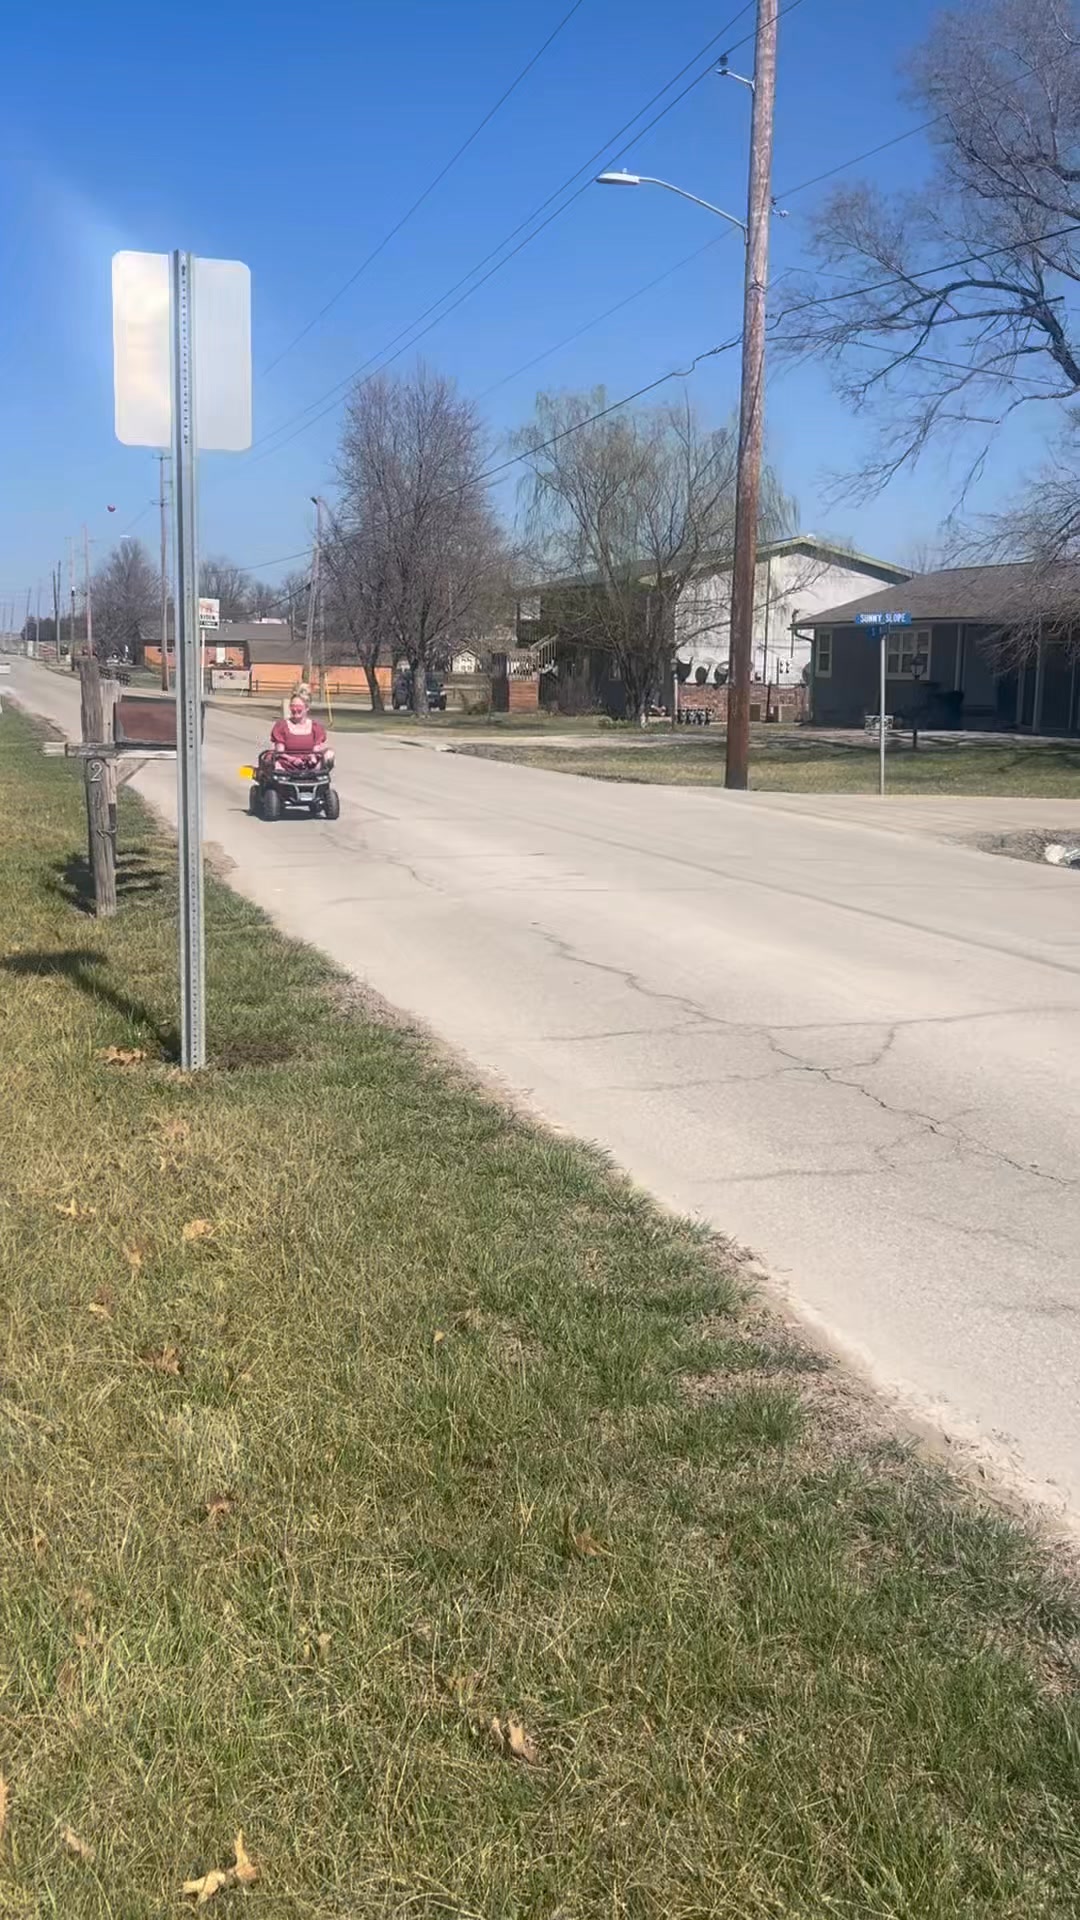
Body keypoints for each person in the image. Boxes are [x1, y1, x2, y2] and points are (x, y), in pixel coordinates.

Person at [259, 695, 335, 775]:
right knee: (273, 762)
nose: (295, 709)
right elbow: (280, 752)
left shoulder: (315, 727)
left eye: (298, 707)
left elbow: (316, 750)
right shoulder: (282, 726)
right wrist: (292, 759)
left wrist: (312, 757)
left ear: (307, 708)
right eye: (292, 706)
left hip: (309, 764)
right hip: (286, 763)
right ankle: (283, 780)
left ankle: (313, 775)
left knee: (329, 754)